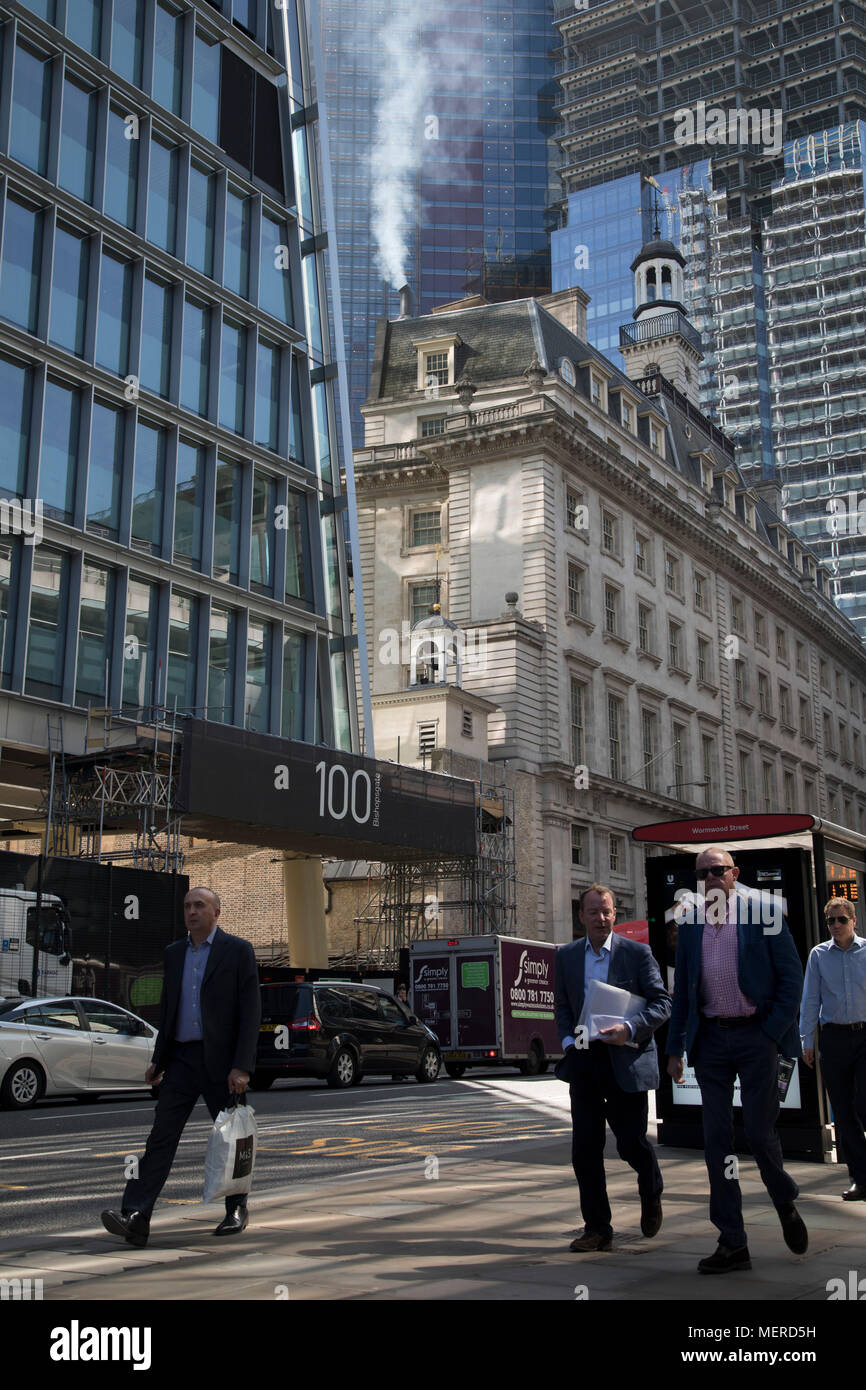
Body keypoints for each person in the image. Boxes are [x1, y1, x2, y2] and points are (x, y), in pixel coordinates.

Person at [666, 847, 807, 1273]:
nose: (710, 877)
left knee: (761, 1135)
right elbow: (685, 994)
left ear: (734, 874)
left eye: (718, 871)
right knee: (717, 1142)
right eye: (703, 872)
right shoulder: (690, 927)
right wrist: (675, 1048)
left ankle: (784, 1201)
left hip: (754, 1038)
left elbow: (792, 979)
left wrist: (769, 1033)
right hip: (711, 1042)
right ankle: (732, 1240)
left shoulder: (761, 916)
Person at [100, 886, 261, 1246]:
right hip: (183, 1061)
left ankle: (237, 1208)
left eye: (199, 905)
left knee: (233, 1138)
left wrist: (242, 1066)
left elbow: (250, 1013)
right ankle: (137, 1214)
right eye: (187, 906)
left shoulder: (238, 951)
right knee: (160, 1139)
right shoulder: (174, 954)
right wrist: (158, 1059)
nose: (192, 911)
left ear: (217, 912)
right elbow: (169, 1009)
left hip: (223, 1064)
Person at [554, 883, 671, 1252]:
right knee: (584, 1149)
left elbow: (662, 1003)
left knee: (630, 1143)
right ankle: (597, 1228)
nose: (601, 918)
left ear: (614, 914)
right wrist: (569, 1042)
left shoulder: (637, 953)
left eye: (606, 911)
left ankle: (650, 1187)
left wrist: (630, 1029)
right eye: (594, 912)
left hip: (625, 1060)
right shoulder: (567, 956)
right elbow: (562, 1009)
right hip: (585, 1061)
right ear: (581, 916)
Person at [800, 897, 866, 1200]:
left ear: (853, 920)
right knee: (842, 1109)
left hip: (865, 1034)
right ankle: (860, 1178)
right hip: (834, 1038)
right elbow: (810, 998)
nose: (836, 925)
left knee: (864, 1103)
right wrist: (806, 1041)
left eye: (841, 919)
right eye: (831, 921)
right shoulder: (818, 955)